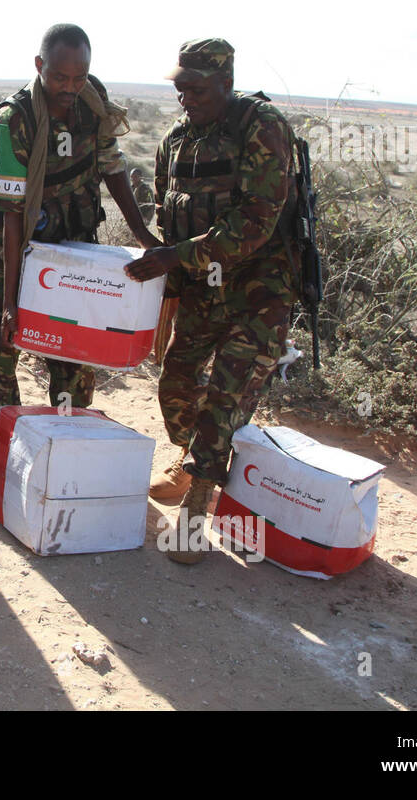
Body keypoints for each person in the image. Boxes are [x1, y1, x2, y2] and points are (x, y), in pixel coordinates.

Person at [124, 38, 298, 564]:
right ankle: (192, 457)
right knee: (176, 382)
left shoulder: (261, 126)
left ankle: (199, 499)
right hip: (203, 287)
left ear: (226, 83)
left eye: (197, 89)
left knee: (226, 393)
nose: (186, 99)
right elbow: (166, 213)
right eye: (180, 89)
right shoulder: (176, 140)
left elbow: (255, 222)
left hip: (260, 290)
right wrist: (169, 276)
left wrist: (174, 257)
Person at [0, 24, 158, 504]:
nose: (70, 87)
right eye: (60, 77)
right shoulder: (14, 120)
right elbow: (12, 213)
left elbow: (111, 166)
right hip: (8, 246)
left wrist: (141, 234)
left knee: (73, 350)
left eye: (79, 77)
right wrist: (10, 301)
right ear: (40, 67)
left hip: (70, 245)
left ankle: (67, 454)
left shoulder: (92, 104)